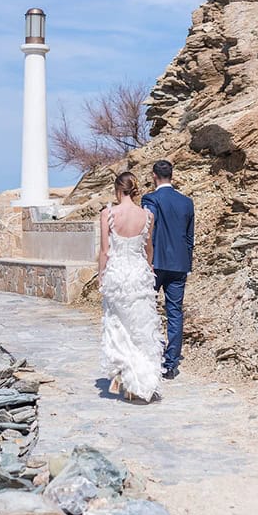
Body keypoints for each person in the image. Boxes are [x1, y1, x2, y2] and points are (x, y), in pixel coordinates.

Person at [99, 171, 163, 402]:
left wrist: (101, 276)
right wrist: (149, 271)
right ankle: (139, 382)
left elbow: (105, 251)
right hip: (139, 274)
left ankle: (124, 379)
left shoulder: (108, 214)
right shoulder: (147, 216)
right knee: (141, 329)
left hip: (117, 275)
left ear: (118, 189)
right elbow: (149, 250)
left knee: (118, 327)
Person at [142, 160, 194, 379]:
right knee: (174, 312)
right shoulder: (187, 202)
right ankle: (171, 363)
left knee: (146, 309)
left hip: (155, 263)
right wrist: (188, 262)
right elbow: (189, 236)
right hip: (179, 264)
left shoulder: (150, 199)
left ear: (154, 175)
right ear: (172, 175)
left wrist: (146, 259)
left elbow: (148, 230)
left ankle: (149, 356)